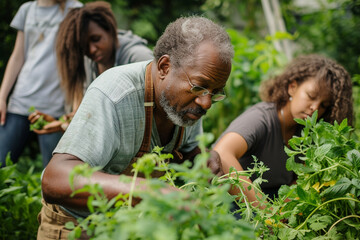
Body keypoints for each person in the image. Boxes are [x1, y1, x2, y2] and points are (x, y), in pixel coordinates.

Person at [37, 16, 234, 239]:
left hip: (129, 225)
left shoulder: (185, 103)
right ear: (164, 67)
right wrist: (151, 191)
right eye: (200, 87)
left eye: (216, 92)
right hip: (76, 226)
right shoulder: (114, 94)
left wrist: (202, 158)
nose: (206, 103)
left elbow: (187, 150)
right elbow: (55, 180)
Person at [213, 54, 353, 207]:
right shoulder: (260, 118)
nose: (315, 108)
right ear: (292, 87)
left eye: (324, 105)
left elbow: (298, 181)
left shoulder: (308, 132)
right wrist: (266, 212)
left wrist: (284, 209)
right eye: (311, 96)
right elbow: (222, 154)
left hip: (272, 199)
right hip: (231, 199)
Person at [28, 1, 154, 134]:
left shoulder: (139, 58)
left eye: (96, 39)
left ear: (110, 30)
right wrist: (61, 124)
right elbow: (88, 115)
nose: (91, 50)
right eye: (84, 46)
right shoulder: (90, 63)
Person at [0, 0, 83, 167]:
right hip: (21, 102)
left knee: (53, 175)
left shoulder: (75, 9)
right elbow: (17, 56)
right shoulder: (27, 9)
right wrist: (2, 96)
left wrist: (76, 107)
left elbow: (79, 64)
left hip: (55, 110)